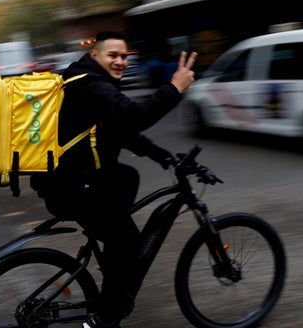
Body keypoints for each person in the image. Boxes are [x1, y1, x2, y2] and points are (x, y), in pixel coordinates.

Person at [30, 31, 197, 328]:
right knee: (127, 239)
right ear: (95, 56)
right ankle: (105, 318)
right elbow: (131, 115)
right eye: (113, 55)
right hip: (74, 186)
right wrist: (173, 88)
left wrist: (162, 156)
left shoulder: (90, 82)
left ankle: (113, 273)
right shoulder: (91, 84)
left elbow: (119, 131)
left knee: (126, 177)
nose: (120, 61)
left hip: (73, 180)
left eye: (124, 56)